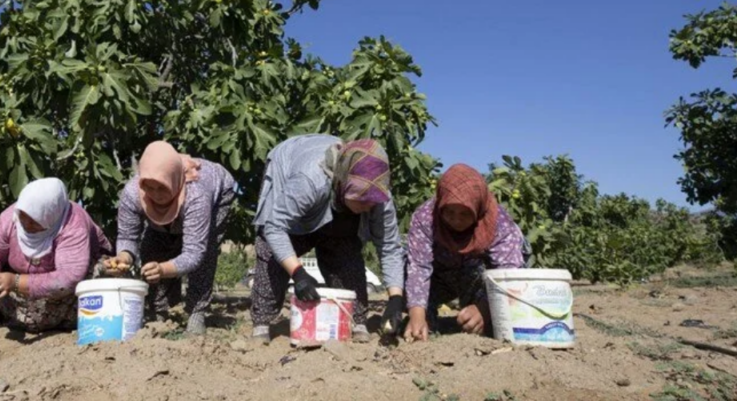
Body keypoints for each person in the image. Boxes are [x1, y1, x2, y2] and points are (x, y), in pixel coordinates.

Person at [249, 134, 406, 344]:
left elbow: (389, 246)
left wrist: (395, 298)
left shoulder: (379, 196)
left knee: (344, 249)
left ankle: (355, 320)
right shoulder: (309, 181)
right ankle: (262, 322)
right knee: (271, 251)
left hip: (336, 207)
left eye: (371, 202)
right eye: (360, 200)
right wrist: (298, 273)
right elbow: (275, 227)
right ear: (343, 183)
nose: (367, 207)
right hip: (290, 168)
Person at [104, 141, 236, 335]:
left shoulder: (197, 193)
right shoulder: (132, 193)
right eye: (149, 187)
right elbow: (128, 236)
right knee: (152, 246)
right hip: (173, 208)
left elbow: (194, 253)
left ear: (173, 180)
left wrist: (163, 269)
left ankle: (196, 312)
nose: (156, 195)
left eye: (162, 187)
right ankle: (163, 310)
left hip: (218, 195)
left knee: (205, 251)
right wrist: (123, 257)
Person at [0, 177, 113, 335]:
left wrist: (15, 282)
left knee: (101, 268)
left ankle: (63, 321)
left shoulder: (73, 224)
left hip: (65, 296)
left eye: (34, 221)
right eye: (23, 218)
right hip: (21, 289)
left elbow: (69, 278)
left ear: (51, 216)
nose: (26, 225)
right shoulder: (10, 218)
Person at [403, 164, 528, 342]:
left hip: (478, 279)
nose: (456, 220)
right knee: (404, 274)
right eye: (450, 212)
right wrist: (417, 315)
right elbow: (419, 267)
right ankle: (425, 322)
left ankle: (480, 317)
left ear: (478, 209)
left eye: (465, 213)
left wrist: (485, 308)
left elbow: (509, 273)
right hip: (439, 276)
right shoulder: (426, 218)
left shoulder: (498, 222)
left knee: (495, 319)